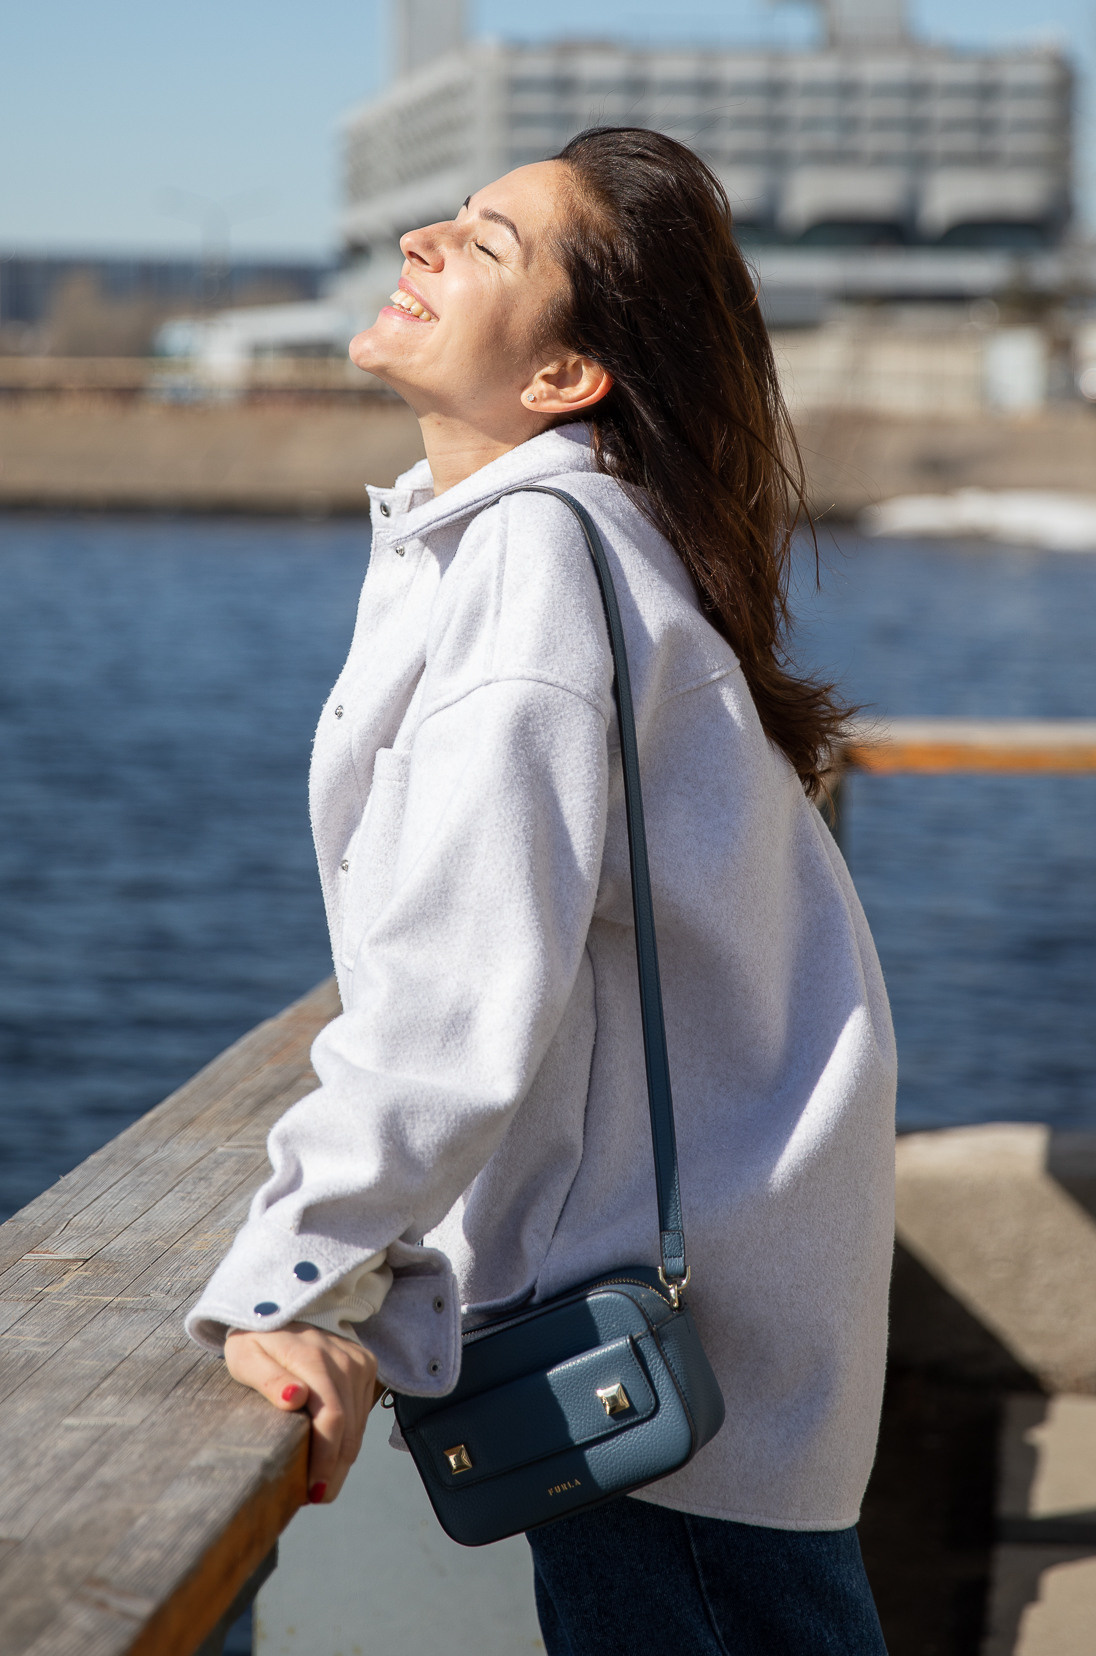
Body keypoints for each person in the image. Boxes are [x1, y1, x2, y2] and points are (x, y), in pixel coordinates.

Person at [185, 127, 896, 1654]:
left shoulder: (535, 566)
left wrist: (286, 1275)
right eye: (444, 220)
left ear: (569, 377)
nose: (424, 244)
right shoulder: (576, 543)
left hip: (671, 1392)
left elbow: (454, 993)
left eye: (489, 244)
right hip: (732, 1353)